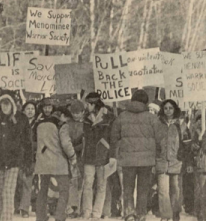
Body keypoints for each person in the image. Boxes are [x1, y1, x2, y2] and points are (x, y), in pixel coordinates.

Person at [0, 91, 33, 221]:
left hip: (13, 162)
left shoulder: (21, 119)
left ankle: (6, 218)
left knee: (8, 193)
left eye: (8, 103)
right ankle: (0, 217)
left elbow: (27, 142)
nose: (5, 106)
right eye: (3, 103)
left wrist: (27, 161)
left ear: (12, 104)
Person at [111, 90, 160, 221]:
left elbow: (114, 137)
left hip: (127, 160)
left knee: (128, 188)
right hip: (147, 160)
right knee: (143, 189)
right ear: (146, 102)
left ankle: (129, 213)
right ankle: (141, 213)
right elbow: (160, 139)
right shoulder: (152, 118)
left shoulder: (122, 117)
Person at [35, 107, 77, 221]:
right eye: (67, 119)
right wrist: (73, 156)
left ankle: (41, 216)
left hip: (43, 162)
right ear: (62, 115)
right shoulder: (61, 125)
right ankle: (59, 216)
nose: (67, 121)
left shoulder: (40, 124)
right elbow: (66, 144)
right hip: (58, 162)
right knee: (64, 190)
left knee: (43, 190)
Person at [82, 92, 115, 220]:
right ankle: (86, 212)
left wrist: (111, 154)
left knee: (102, 185)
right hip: (89, 155)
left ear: (93, 104)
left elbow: (112, 137)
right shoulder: (85, 118)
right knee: (88, 184)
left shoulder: (109, 117)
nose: (86, 107)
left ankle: (96, 213)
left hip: (103, 155)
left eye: (88, 104)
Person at [156, 99, 190, 221]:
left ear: (175, 109)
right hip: (161, 161)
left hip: (176, 161)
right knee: (163, 190)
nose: (168, 110)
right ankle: (165, 216)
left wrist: (184, 158)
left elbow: (187, 143)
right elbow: (154, 141)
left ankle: (175, 214)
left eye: (170, 108)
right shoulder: (157, 123)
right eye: (166, 108)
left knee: (176, 189)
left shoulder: (181, 124)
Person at [16, 101, 38, 218]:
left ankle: (24, 208)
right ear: (23, 110)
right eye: (28, 108)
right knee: (17, 182)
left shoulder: (38, 124)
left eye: (32, 109)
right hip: (18, 157)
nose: (30, 111)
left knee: (27, 182)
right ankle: (16, 205)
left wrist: (30, 144)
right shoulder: (17, 123)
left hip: (31, 157)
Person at [67, 100, 85, 217]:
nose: (75, 115)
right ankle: (73, 207)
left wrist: (79, 146)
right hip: (71, 156)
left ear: (83, 112)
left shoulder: (86, 124)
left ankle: (80, 207)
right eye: (73, 112)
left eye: (78, 112)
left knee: (82, 182)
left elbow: (86, 141)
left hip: (82, 156)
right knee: (73, 181)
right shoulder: (69, 124)